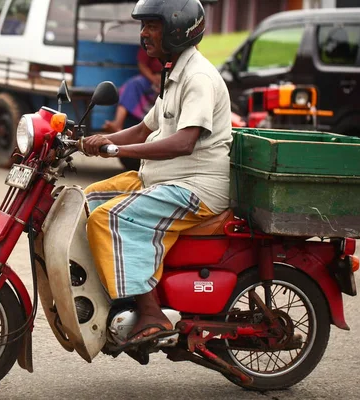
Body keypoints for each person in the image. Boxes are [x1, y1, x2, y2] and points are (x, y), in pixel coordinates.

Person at [81, 0, 233, 348]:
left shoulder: (198, 78)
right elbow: (141, 130)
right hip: (166, 178)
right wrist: (90, 142)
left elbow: (183, 142)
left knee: (110, 218)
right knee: (85, 202)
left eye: (152, 25)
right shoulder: (174, 72)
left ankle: (151, 314)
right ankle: (114, 297)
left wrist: (118, 151)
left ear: (178, 29)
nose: (144, 33)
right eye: (144, 25)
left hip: (196, 188)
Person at [102, 47, 163, 133]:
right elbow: (142, 64)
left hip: (169, 79)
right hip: (151, 80)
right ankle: (117, 124)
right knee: (132, 84)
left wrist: (164, 77)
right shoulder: (149, 43)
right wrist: (153, 78)